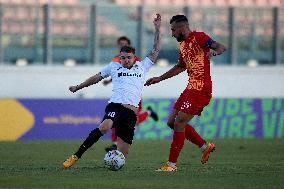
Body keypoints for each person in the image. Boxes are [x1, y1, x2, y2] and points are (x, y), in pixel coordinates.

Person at [62, 13, 161, 169]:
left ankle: (112, 164)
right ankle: (76, 156)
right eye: (123, 57)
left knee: (122, 154)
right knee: (105, 126)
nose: (126, 60)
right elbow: (96, 77)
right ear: (119, 57)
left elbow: (156, 49)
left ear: (134, 57)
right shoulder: (114, 66)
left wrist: (157, 29)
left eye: (129, 57)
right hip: (116, 106)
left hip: (131, 113)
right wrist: (78, 87)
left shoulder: (142, 66)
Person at [145, 14, 226, 172]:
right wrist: (159, 78)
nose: (172, 33)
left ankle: (171, 165)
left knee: (179, 123)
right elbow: (180, 66)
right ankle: (204, 146)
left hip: (201, 89)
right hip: (190, 88)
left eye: (173, 30)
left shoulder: (200, 37)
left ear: (182, 28)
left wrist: (213, 53)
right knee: (171, 122)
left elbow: (221, 47)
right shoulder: (182, 45)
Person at [103, 36, 159, 152]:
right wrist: (108, 80)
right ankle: (115, 144)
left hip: (133, 97)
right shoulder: (116, 59)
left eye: (123, 43)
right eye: (119, 44)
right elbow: (118, 73)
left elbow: (132, 73)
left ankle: (149, 112)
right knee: (115, 119)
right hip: (120, 98)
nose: (121, 45)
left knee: (134, 121)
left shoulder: (135, 59)